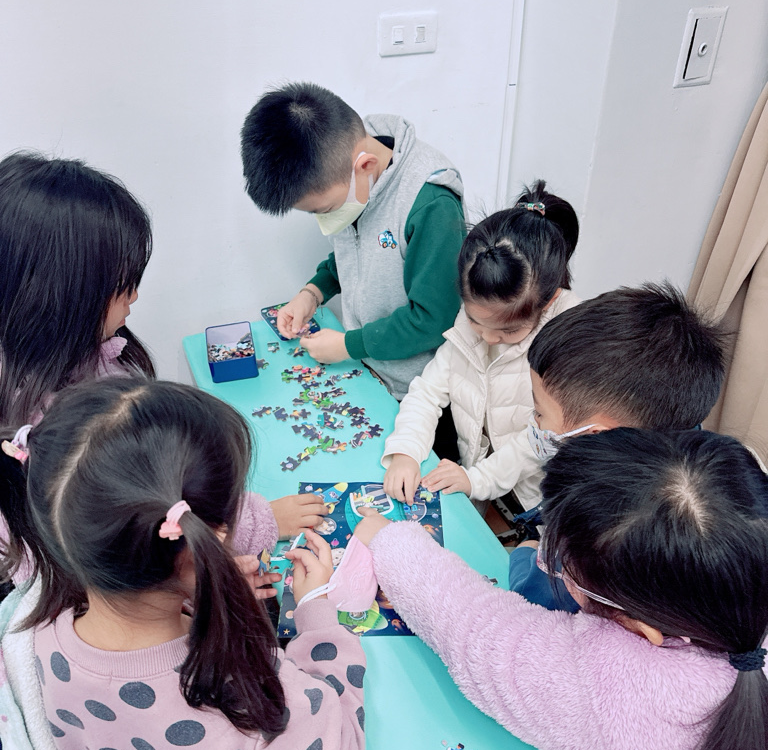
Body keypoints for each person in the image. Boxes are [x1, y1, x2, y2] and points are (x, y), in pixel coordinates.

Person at [355, 428, 768, 750]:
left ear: (643, 629)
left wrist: (389, 541)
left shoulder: (608, 685)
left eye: (561, 565)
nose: (550, 562)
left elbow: (474, 631)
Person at [0, 377, 368, 750]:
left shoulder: (40, 647)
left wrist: (204, 595)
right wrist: (318, 616)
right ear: (200, 546)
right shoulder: (238, 676)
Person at [0, 151, 324, 551]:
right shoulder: (60, 444)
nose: (135, 295)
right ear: (60, 298)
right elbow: (148, 537)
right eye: (121, 284)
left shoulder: (85, 357)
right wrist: (258, 523)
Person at [240, 82, 466, 401]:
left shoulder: (432, 204)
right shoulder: (352, 169)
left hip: (421, 393)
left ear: (365, 166)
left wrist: (348, 345)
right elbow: (357, 252)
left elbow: (434, 319)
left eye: (325, 210)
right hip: (369, 373)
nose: (324, 223)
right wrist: (312, 293)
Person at [509, 281, 727, 610]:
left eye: (540, 412)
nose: (535, 421)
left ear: (594, 435)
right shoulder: (695, 458)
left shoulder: (591, 537)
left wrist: (522, 553)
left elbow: (535, 601)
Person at [381, 182, 579, 508]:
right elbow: (427, 391)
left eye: (508, 331)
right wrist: (405, 451)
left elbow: (540, 440)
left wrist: (477, 479)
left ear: (548, 302)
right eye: (475, 322)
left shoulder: (569, 340)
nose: (487, 337)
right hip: (480, 478)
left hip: (535, 499)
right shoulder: (473, 316)